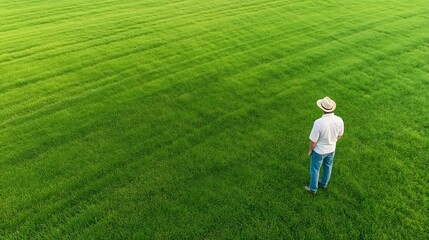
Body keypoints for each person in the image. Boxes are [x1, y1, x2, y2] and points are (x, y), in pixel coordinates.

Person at [305, 96, 344, 194]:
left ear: (322, 108)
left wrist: (310, 150)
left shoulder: (318, 122)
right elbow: (340, 135)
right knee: (328, 166)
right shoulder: (339, 120)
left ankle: (313, 189)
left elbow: (313, 141)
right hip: (331, 149)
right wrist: (332, 141)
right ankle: (323, 183)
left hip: (319, 151)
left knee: (315, 169)